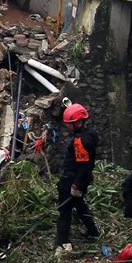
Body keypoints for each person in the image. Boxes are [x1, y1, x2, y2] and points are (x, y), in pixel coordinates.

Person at [56, 103, 99, 250]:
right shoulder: (91, 134)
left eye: (70, 124)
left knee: (64, 211)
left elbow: (84, 164)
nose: (68, 127)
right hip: (80, 179)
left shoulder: (80, 141)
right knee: (80, 206)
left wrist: (76, 185)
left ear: (78, 122)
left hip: (71, 180)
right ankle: (93, 232)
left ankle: (61, 241)